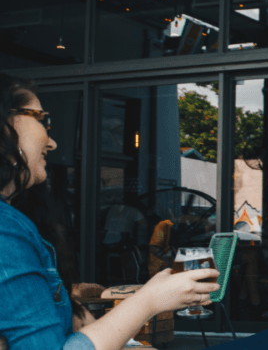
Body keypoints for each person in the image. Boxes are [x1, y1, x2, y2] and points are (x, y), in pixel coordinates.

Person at [0, 73, 220, 350]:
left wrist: (71, 316)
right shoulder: (5, 229)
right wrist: (150, 299)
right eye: (42, 119)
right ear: (5, 123)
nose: (52, 141)